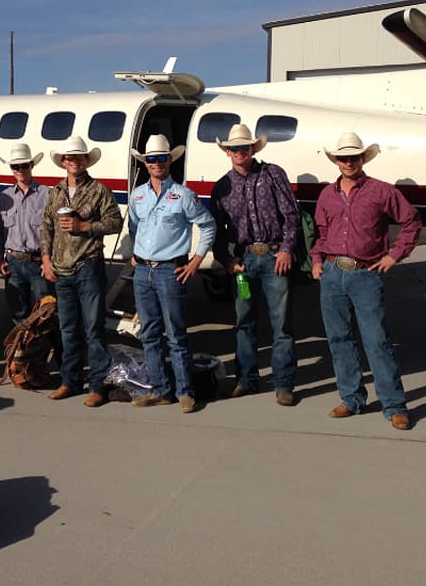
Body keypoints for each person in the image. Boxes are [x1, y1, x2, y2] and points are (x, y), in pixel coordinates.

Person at [311, 132, 421, 430]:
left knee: (377, 341)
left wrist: (393, 256)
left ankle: (394, 405)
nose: (348, 162)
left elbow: (411, 222)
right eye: (343, 158)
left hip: (365, 274)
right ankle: (351, 399)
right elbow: (321, 233)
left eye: (354, 157)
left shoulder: (381, 191)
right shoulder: (327, 195)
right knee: (338, 340)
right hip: (332, 272)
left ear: (362, 159)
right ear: (336, 160)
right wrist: (317, 261)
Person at [210, 124, 300, 406]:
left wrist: (286, 250)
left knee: (281, 324)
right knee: (244, 321)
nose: (239, 152)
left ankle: (284, 384)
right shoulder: (222, 186)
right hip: (244, 263)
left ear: (253, 149)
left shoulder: (272, 174)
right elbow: (217, 229)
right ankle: (246, 380)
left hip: (274, 259)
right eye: (234, 148)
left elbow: (291, 215)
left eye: (244, 148)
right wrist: (226, 259)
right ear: (227, 152)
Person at [128, 135, 216, 413]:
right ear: (145, 163)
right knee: (149, 334)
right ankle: (160, 389)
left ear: (170, 161)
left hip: (170, 270)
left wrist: (195, 261)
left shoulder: (184, 195)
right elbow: (133, 227)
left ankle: (185, 392)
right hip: (143, 270)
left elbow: (208, 225)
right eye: (151, 159)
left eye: (161, 158)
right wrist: (135, 252)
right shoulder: (137, 195)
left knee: (176, 334)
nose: (156, 164)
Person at [40, 136, 123, 408]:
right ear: (63, 162)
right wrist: (45, 259)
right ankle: (70, 380)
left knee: (94, 329)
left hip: (88, 265)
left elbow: (115, 222)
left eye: (79, 157)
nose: (74, 161)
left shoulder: (99, 190)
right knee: (68, 329)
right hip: (62, 270)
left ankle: (98, 385)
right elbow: (47, 228)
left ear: (86, 161)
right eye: (69, 158)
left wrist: (84, 228)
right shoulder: (55, 192)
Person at [0, 143, 54, 323]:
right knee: (18, 314)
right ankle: (23, 350)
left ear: (32, 165)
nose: (20, 170)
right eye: (15, 166)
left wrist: (49, 261)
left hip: (38, 263)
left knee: (45, 312)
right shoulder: (4, 197)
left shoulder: (47, 194)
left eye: (24, 165)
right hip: (13, 263)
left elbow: (54, 232)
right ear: (11, 169)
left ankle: (48, 350)